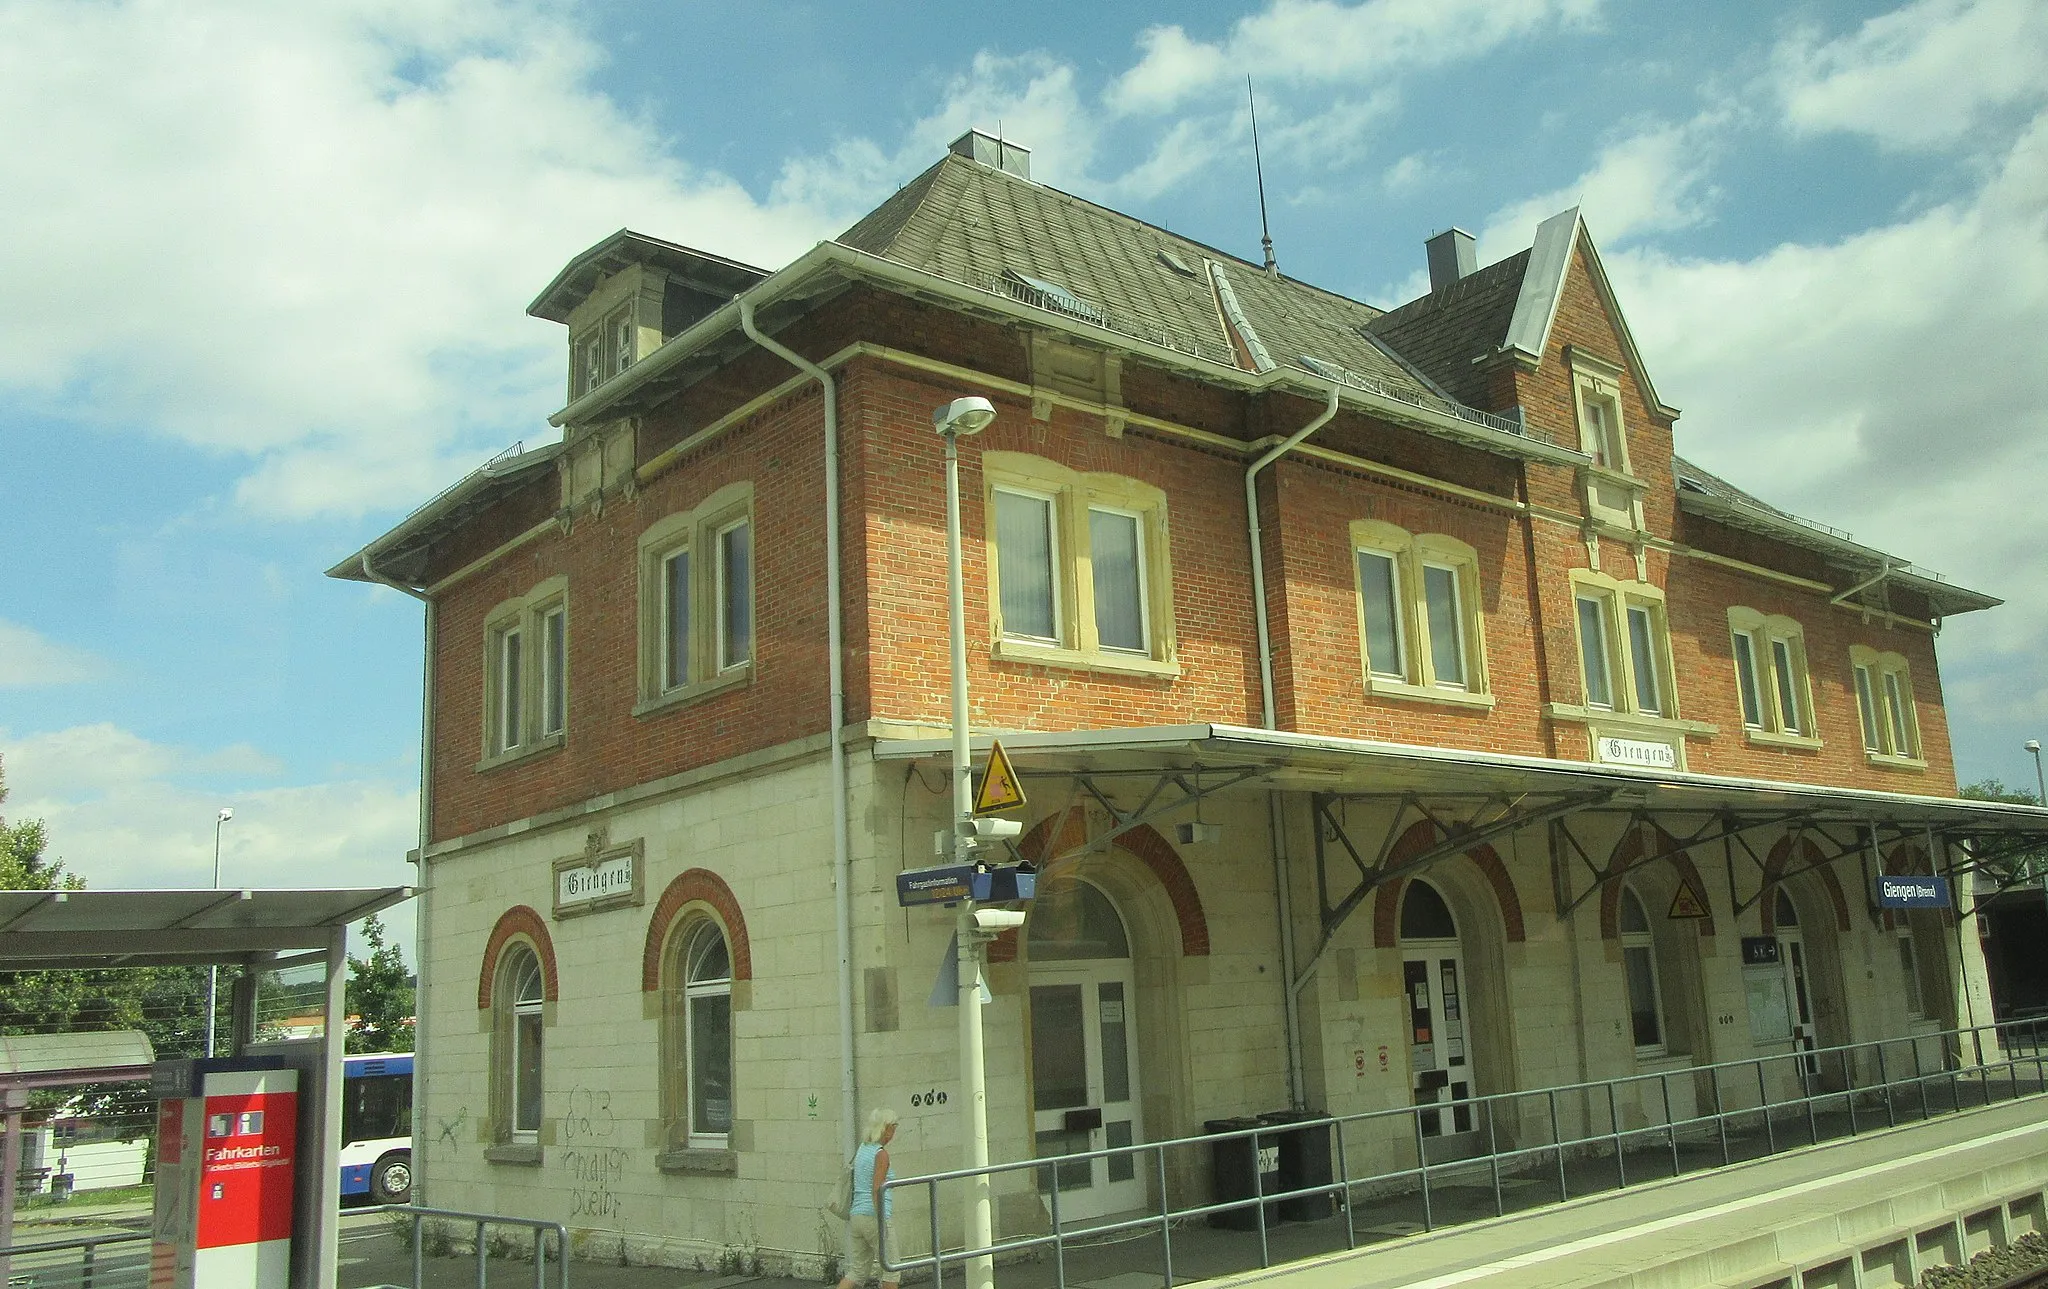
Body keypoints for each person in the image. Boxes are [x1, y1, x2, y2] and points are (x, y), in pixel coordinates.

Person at [838, 1107, 899, 1289]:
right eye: (893, 1127)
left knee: (857, 1271)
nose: (894, 1132)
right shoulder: (881, 1154)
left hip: (857, 1214)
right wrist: (882, 1221)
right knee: (892, 1270)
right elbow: (877, 1189)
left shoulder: (863, 1148)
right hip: (875, 1216)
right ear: (885, 1128)